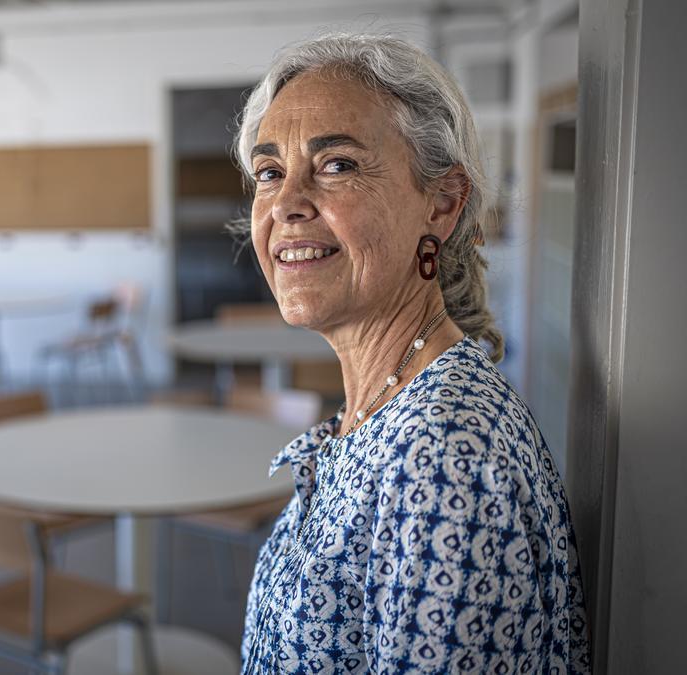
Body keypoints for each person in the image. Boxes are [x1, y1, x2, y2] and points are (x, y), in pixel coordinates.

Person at [236, 34, 590, 673]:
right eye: (268, 172)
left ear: (443, 203)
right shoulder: (389, 407)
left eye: (337, 164)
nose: (286, 204)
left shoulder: (444, 458)